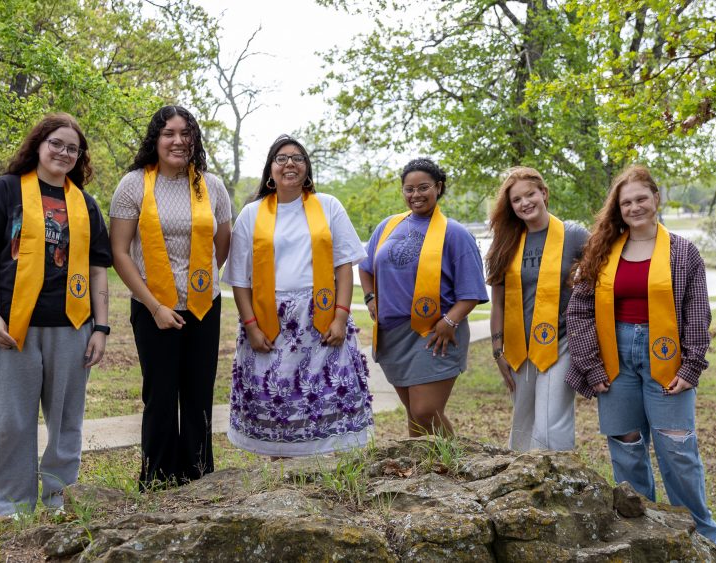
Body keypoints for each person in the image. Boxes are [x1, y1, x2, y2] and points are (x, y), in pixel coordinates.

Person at [0, 113, 112, 516]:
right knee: (14, 421)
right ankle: (12, 504)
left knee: (66, 422)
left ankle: (59, 497)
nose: (63, 152)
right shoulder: (4, 191)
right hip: (11, 326)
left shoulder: (85, 204)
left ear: (80, 157)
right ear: (39, 144)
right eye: (56, 144)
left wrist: (101, 326)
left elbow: (98, 268)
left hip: (71, 326)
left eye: (72, 148)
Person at [566, 165, 716, 543]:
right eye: (626, 202)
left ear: (656, 198)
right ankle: (642, 530)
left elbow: (698, 311)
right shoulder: (601, 251)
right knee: (626, 446)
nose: (635, 207)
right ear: (618, 209)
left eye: (641, 199)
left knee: (677, 449)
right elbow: (580, 309)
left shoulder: (684, 252)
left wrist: (692, 364)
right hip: (615, 354)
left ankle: (701, 533)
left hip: (665, 353)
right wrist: (591, 364)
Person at [222, 134, 373, 457]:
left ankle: (323, 479)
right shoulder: (251, 214)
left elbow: (344, 265)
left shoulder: (328, 206)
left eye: (297, 158)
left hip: (321, 319)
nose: (289, 163)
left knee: (321, 402)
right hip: (269, 322)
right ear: (270, 170)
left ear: (307, 169)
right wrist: (251, 326)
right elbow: (239, 280)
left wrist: (341, 316)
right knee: (279, 404)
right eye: (281, 158)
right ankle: (280, 481)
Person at [110, 106, 231, 487]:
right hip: (152, 307)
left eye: (185, 133)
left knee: (198, 396)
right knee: (160, 396)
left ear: (194, 139)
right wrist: (156, 305)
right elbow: (119, 253)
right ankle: (159, 478)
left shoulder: (211, 186)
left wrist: (198, 285)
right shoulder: (133, 184)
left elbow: (221, 246)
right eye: (169, 133)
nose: (178, 141)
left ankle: (197, 476)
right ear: (155, 140)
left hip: (203, 306)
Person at [359, 158, 488, 437]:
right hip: (392, 334)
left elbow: (472, 291)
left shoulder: (455, 233)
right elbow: (365, 266)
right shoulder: (388, 226)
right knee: (415, 416)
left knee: (425, 410)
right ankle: (423, 472)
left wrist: (449, 322)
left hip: (433, 332)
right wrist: (370, 298)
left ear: (438, 187)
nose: (415, 195)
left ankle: (455, 462)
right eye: (409, 189)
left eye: (423, 187)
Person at [486, 167, 588, 451]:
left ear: (544, 193)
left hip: (562, 341)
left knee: (550, 420)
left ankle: (557, 481)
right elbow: (498, 302)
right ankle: (520, 480)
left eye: (530, 194)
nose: (525, 203)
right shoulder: (506, 243)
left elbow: (601, 277)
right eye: (516, 200)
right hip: (520, 345)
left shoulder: (575, 236)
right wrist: (498, 352)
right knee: (523, 419)